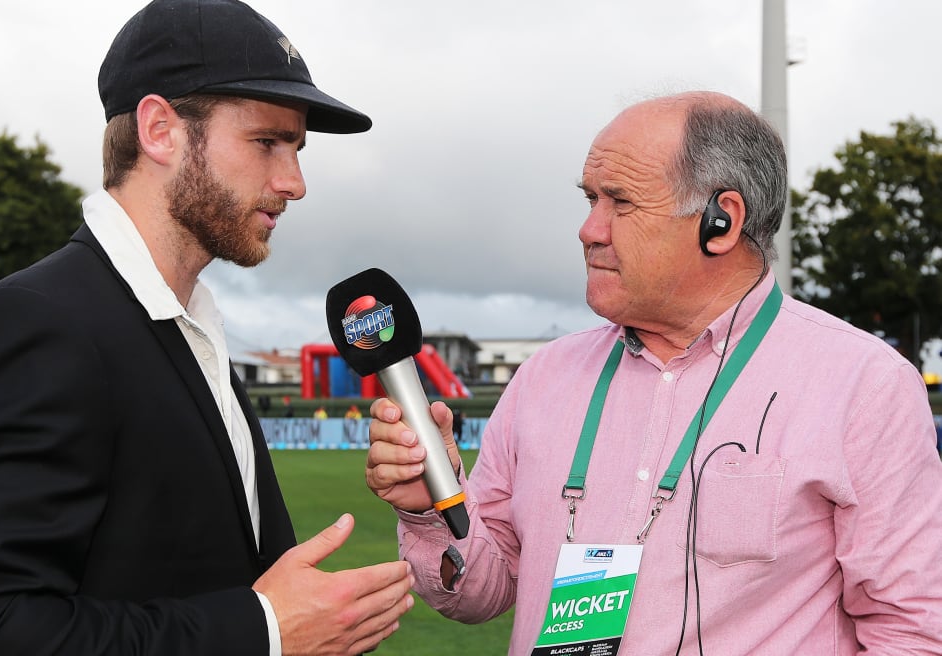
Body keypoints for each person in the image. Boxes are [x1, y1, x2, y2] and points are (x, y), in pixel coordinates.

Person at [0, 1, 414, 654]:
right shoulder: (32, 326)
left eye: (297, 147)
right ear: (159, 130)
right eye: (267, 141)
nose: (294, 182)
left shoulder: (188, 329)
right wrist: (262, 630)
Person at [365, 91, 942, 654]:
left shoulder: (865, 386)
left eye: (620, 202)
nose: (589, 229)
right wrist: (428, 507)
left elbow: (913, 631)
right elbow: (482, 592)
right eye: (589, 199)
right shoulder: (544, 377)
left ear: (722, 221)